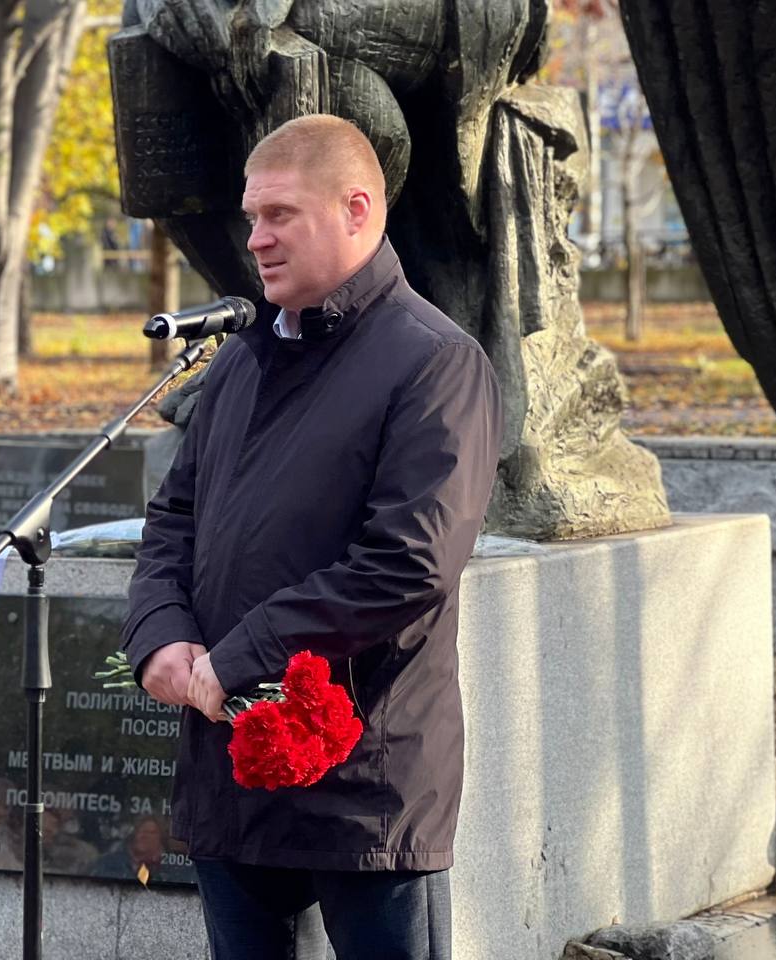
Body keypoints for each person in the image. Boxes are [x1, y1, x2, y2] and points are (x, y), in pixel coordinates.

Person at [122, 113, 503, 960]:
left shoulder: (434, 363)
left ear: (357, 210)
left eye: (280, 215)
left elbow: (408, 565)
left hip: (363, 779)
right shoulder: (238, 363)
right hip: (232, 765)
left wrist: (236, 656)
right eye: (252, 217)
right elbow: (173, 520)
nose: (254, 239)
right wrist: (161, 638)